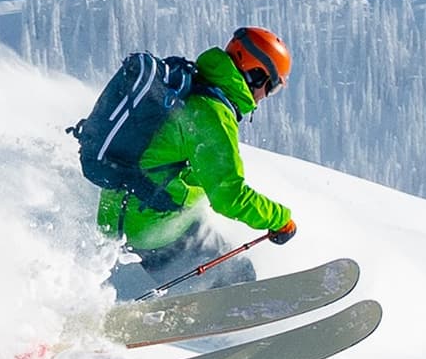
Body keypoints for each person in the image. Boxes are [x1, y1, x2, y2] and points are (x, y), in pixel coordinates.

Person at [97, 27, 300, 276]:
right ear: (255, 75)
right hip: (148, 228)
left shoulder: (190, 86)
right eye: (272, 87)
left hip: (116, 215)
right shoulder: (211, 113)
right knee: (239, 274)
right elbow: (229, 197)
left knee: (210, 236)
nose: (266, 96)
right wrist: (281, 220)